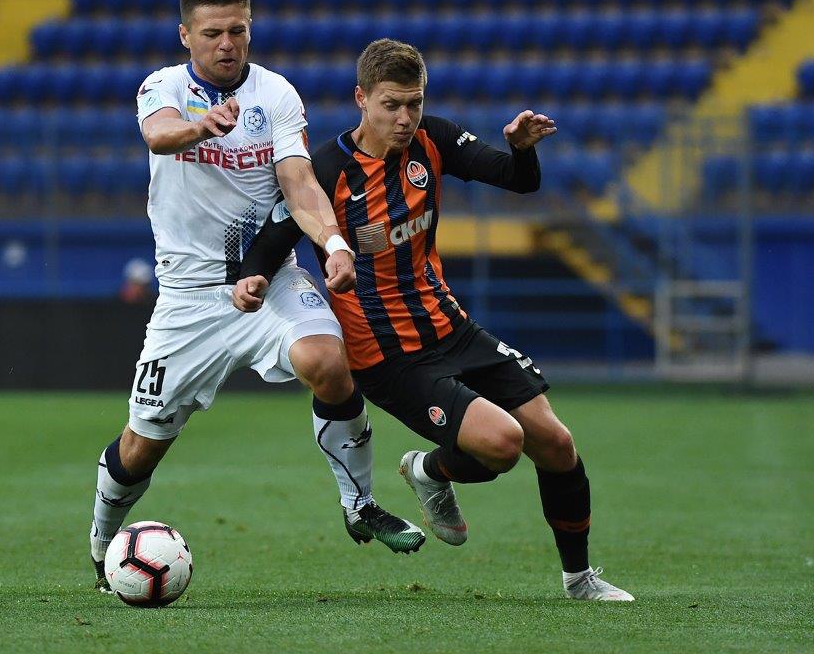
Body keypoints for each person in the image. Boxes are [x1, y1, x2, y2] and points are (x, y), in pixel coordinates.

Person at [233, 39, 633, 601]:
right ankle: (433, 472)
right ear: (361, 99)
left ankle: (578, 579)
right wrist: (251, 277)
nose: (404, 118)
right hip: (387, 355)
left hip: (450, 327)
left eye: (414, 104)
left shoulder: (433, 140)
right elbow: (273, 239)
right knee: (502, 445)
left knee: (555, 442)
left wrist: (521, 150)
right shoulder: (326, 169)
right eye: (391, 105)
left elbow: (518, 180)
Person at [91, 0, 424, 594]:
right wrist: (203, 128)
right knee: (142, 445)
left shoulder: (275, 94)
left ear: (250, 30)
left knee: (328, 362)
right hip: (188, 299)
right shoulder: (162, 86)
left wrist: (335, 244)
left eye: (237, 30)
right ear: (186, 35)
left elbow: (298, 183)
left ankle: (360, 504)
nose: (226, 43)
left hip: (268, 282)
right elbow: (158, 134)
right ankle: (101, 543)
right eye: (212, 32)